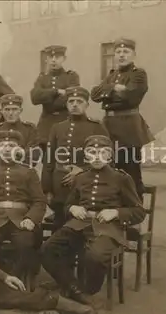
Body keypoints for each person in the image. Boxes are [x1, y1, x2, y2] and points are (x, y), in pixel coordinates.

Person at [42, 135, 145, 305]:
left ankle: (87, 290)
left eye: (102, 153)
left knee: (95, 256)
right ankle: (74, 288)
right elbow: (68, 205)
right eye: (92, 152)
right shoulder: (81, 178)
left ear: (110, 156)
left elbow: (139, 212)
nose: (97, 157)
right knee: (48, 249)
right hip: (78, 225)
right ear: (86, 156)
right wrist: (73, 208)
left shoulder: (122, 179)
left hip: (107, 228)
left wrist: (116, 212)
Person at [0, 129, 46, 283]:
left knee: (26, 244)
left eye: (12, 145)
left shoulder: (29, 172)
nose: (7, 149)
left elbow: (39, 200)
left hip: (21, 220)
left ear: (19, 149)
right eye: (3, 145)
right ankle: (0, 277)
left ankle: (17, 278)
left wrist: (31, 219)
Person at [91, 38, 154, 200]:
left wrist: (109, 93)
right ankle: (114, 209)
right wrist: (114, 88)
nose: (121, 55)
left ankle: (134, 213)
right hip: (109, 127)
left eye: (126, 52)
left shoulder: (138, 74)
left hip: (128, 128)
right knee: (109, 169)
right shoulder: (112, 76)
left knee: (130, 171)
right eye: (118, 52)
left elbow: (131, 97)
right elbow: (94, 94)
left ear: (133, 54)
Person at [42, 87, 109, 230]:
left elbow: (106, 159)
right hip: (59, 185)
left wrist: (82, 171)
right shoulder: (57, 128)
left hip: (85, 185)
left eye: (79, 101)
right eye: (71, 101)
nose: (75, 104)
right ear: (66, 105)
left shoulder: (96, 127)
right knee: (59, 226)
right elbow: (49, 160)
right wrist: (47, 189)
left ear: (87, 105)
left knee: (80, 225)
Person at [30, 45, 80, 160]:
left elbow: (70, 98)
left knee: (65, 158)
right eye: (50, 57)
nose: (53, 60)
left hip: (65, 121)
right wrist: (56, 92)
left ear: (64, 59)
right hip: (46, 125)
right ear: (46, 59)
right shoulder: (42, 78)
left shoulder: (71, 77)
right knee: (47, 161)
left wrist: (46, 97)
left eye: (57, 57)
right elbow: (34, 98)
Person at [0, 94, 39, 167]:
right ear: (1, 111)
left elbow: (33, 156)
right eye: (7, 109)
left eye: (14, 109)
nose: (10, 113)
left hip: (23, 172)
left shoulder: (30, 129)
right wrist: (18, 154)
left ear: (20, 110)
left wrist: (5, 155)